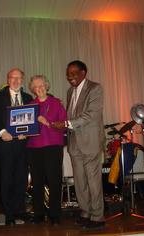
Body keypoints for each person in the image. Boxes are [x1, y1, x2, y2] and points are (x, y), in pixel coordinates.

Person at [52, 60, 105, 230]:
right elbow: (70, 114)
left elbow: (91, 115)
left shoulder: (95, 88)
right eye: (68, 74)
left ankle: (98, 216)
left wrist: (66, 123)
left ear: (84, 72)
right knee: (80, 181)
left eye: (74, 73)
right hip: (74, 143)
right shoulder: (70, 92)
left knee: (93, 181)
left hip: (90, 142)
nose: (70, 77)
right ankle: (85, 212)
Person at [0, 68, 33, 225]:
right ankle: (9, 214)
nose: (15, 81)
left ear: (22, 80)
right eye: (12, 78)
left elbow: (31, 120)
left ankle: (19, 210)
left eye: (19, 78)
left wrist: (27, 132)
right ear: (8, 80)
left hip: (23, 145)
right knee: (7, 179)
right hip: (6, 144)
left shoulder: (28, 98)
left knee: (22, 180)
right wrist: (2, 132)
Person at [26, 75, 67, 225]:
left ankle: (55, 214)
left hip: (53, 146)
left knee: (54, 180)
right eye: (36, 86)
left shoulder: (57, 103)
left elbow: (63, 125)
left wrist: (47, 123)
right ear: (33, 90)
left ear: (46, 86)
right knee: (37, 182)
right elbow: (26, 127)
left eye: (42, 85)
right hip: (34, 147)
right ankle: (38, 214)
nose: (39, 88)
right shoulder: (30, 105)